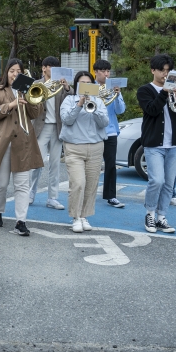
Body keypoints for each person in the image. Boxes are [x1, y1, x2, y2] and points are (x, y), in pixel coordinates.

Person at [137, 54, 176, 235]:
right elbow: (151, 110)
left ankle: (162, 217)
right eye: (162, 70)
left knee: (168, 183)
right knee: (156, 180)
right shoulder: (145, 90)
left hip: (173, 143)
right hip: (154, 144)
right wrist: (165, 92)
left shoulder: (175, 89)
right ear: (153, 70)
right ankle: (150, 213)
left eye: (168, 71)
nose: (165, 74)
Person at [0, 58, 43, 236]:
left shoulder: (27, 90)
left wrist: (30, 98)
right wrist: (11, 104)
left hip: (22, 141)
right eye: (12, 70)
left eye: (18, 71)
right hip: (4, 142)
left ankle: (21, 221)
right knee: (1, 184)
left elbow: (36, 114)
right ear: (6, 73)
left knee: (22, 184)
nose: (15, 74)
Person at [59, 70, 109, 233]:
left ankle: (84, 216)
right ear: (77, 85)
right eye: (82, 84)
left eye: (89, 83)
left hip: (95, 147)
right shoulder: (69, 100)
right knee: (78, 183)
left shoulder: (98, 102)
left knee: (91, 185)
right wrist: (79, 104)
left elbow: (104, 123)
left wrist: (93, 108)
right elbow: (66, 119)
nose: (86, 86)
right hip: (74, 147)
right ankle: (75, 217)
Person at [29, 56, 69, 211]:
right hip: (41, 127)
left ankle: (52, 198)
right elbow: (31, 102)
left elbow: (70, 98)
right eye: (50, 67)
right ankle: (30, 193)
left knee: (54, 164)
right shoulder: (36, 84)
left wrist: (66, 88)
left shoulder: (61, 84)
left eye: (55, 67)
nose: (52, 70)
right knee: (36, 163)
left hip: (57, 127)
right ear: (44, 68)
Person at [92, 59, 126, 209]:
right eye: (104, 71)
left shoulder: (113, 88)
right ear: (96, 72)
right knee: (91, 165)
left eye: (108, 71)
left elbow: (120, 111)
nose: (107, 74)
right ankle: (89, 193)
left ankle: (111, 196)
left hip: (110, 131)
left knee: (110, 165)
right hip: (92, 131)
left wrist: (118, 95)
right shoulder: (90, 87)